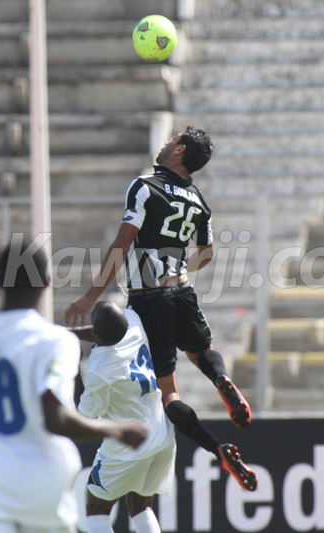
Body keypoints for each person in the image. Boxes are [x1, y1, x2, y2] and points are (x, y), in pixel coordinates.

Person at [65, 127, 257, 491]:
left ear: (179, 149)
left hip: (149, 297)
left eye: (171, 140)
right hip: (182, 290)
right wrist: (180, 268)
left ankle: (219, 449)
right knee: (203, 352)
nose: (166, 143)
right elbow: (207, 253)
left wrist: (90, 297)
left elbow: (122, 244)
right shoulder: (199, 201)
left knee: (169, 393)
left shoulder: (145, 186)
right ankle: (221, 381)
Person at [0, 237, 148, 533]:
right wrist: (117, 430)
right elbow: (55, 417)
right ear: (46, 281)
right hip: (39, 495)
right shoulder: (55, 341)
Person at [70, 301, 175, 533]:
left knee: (96, 507)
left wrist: (75, 366)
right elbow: (108, 327)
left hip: (128, 446)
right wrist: (70, 333)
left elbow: (84, 413)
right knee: (140, 505)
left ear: (97, 333)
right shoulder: (134, 322)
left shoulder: (100, 370)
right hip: (161, 435)